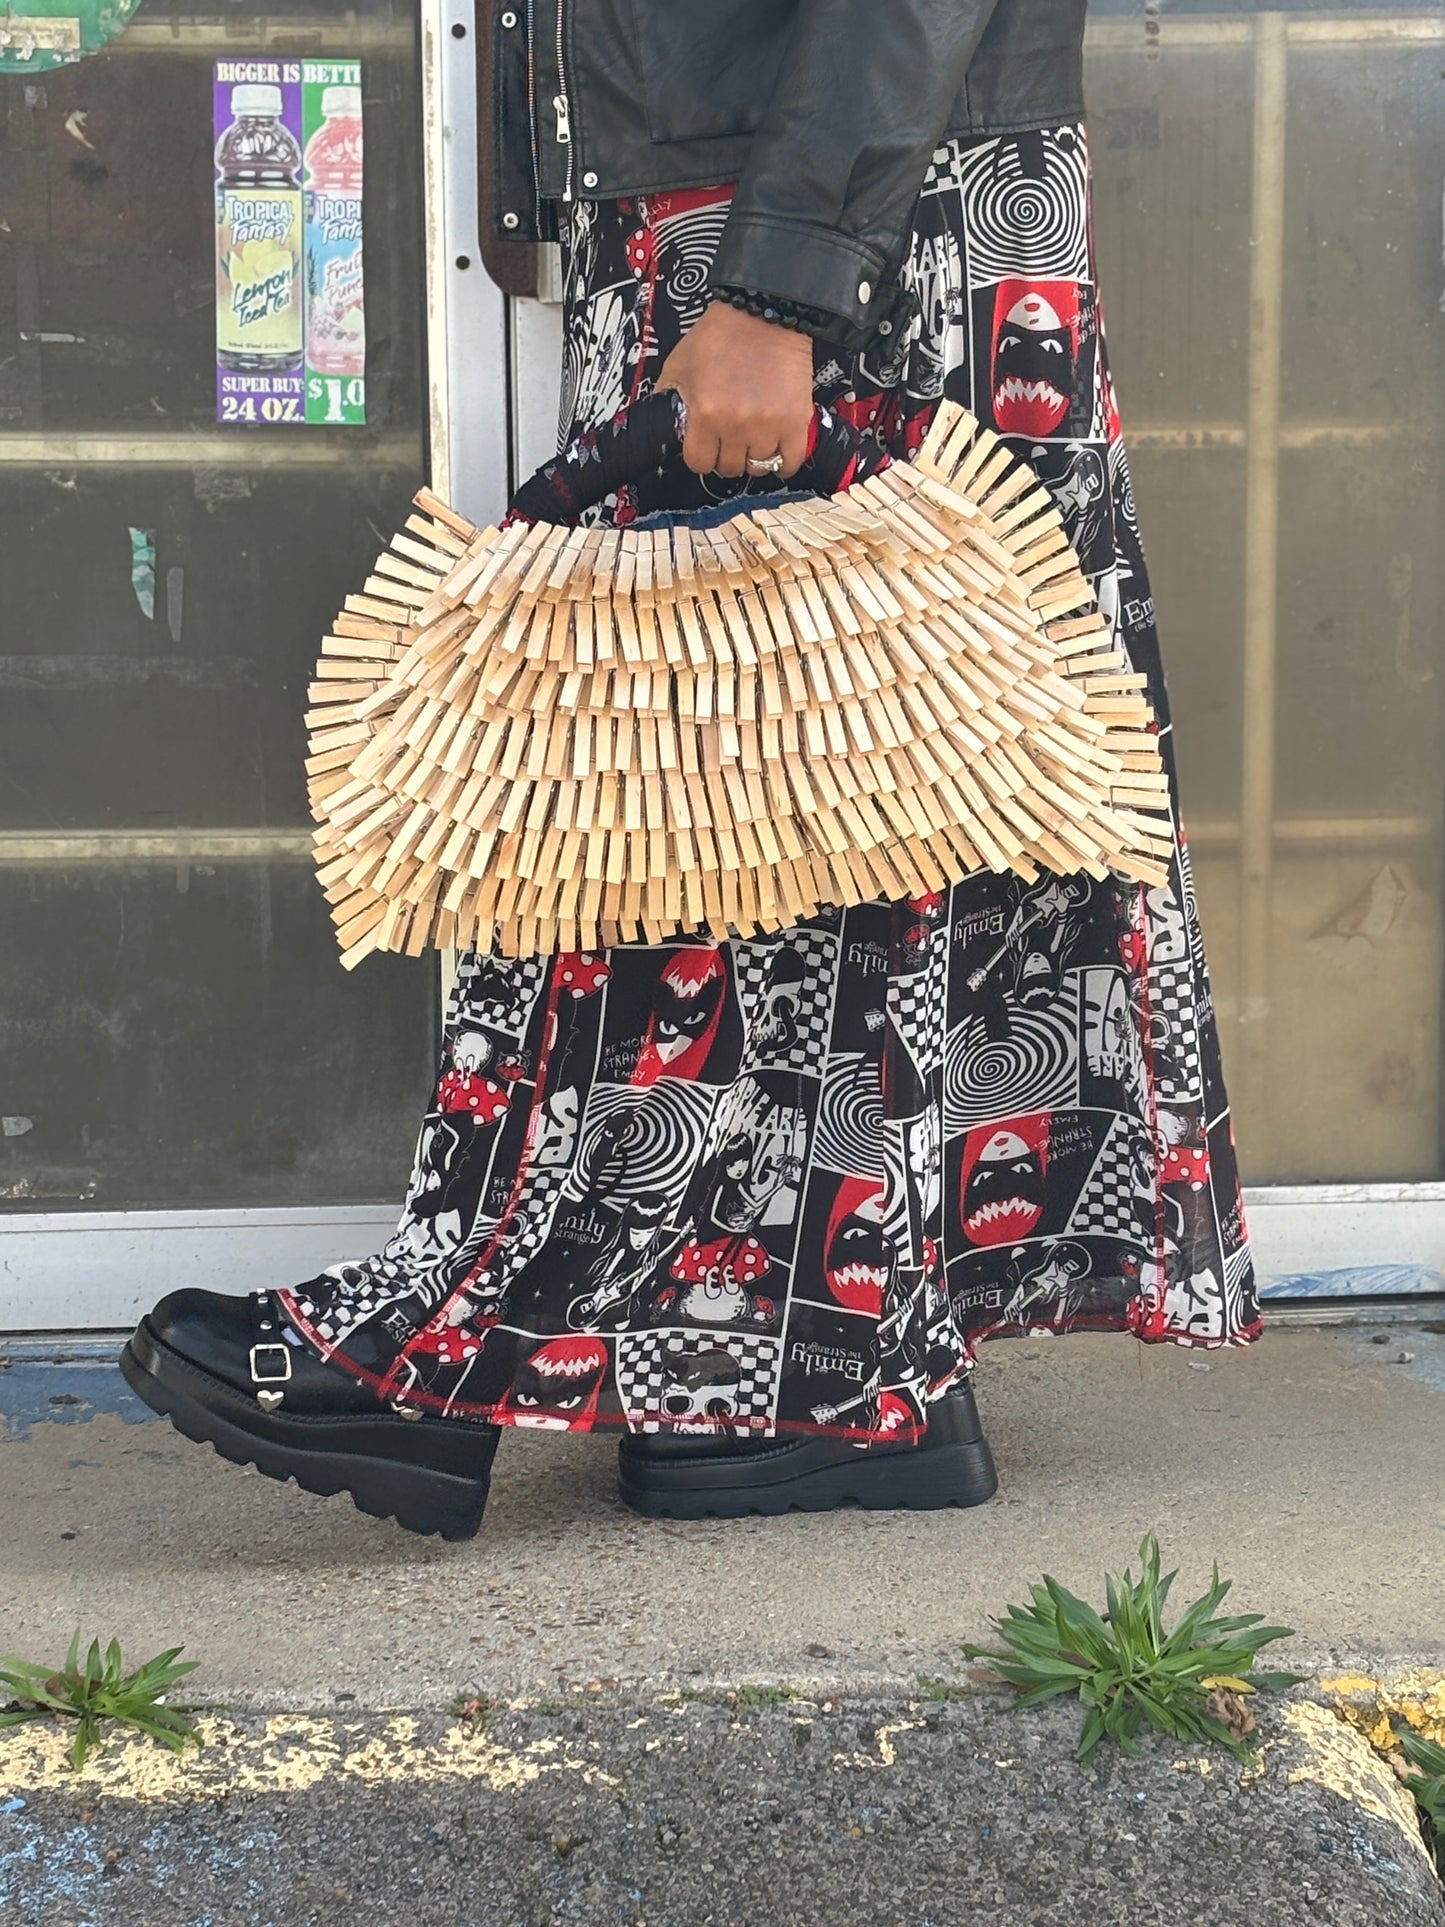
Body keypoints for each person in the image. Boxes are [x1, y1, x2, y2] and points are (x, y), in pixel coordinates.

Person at [121, 0, 1259, 1540]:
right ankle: (790, 1375)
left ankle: (573, 1346)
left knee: (751, 802)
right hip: (786, 198)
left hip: (822, 214)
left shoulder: (785, 266)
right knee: (732, 801)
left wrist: (785, 280)